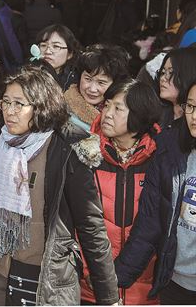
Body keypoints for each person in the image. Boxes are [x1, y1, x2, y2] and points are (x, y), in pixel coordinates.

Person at [0, 65, 119, 306]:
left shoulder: (65, 149)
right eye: (6, 102)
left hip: (46, 280)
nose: (10, 112)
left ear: (41, 106)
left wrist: (108, 297)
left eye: (20, 104)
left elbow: (91, 226)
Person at [72, 80, 162, 305]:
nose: (107, 114)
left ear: (140, 115)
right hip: (90, 288)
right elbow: (76, 222)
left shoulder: (159, 159)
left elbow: (157, 228)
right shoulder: (87, 154)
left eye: (118, 108)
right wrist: (92, 273)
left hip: (144, 291)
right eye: (107, 106)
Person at [115, 80, 196, 304]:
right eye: (190, 106)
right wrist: (117, 276)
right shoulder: (170, 150)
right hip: (174, 281)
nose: (194, 116)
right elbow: (150, 222)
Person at [64, 44, 130, 133]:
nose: (92, 89)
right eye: (88, 79)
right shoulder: (62, 109)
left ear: (115, 84)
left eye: (101, 82)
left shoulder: (125, 115)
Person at [157, 47, 196, 127]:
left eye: (171, 73)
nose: (162, 78)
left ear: (187, 75)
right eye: (163, 72)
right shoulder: (158, 115)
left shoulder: (192, 122)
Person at [35, 24, 81, 91]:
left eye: (56, 46)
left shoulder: (76, 81)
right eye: (43, 45)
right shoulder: (28, 74)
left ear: (70, 54)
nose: (47, 51)